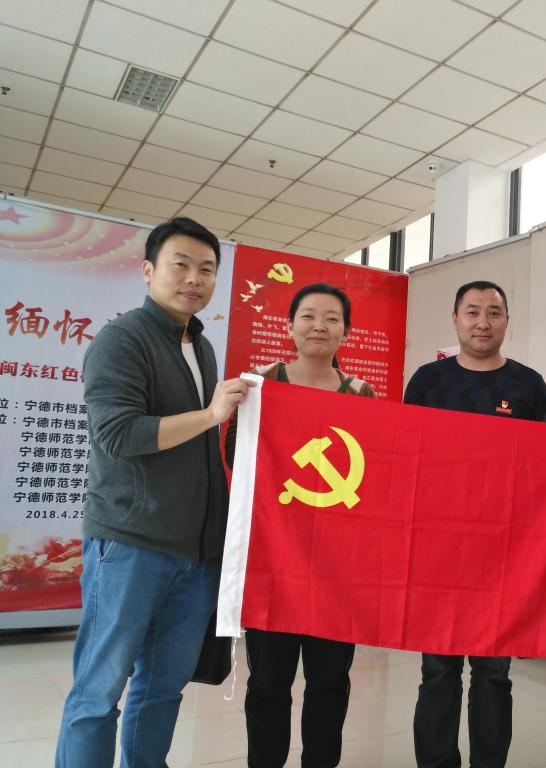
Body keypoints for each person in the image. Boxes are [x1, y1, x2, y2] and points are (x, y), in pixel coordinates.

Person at [55, 217, 250, 768]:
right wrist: (210, 414)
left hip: (195, 554)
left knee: (163, 689)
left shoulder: (201, 346)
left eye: (206, 269)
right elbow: (118, 435)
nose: (194, 279)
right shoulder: (121, 339)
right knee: (98, 691)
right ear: (148, 270)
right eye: (180, 265)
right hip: (131, 544)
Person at [225, 282, 374, 768]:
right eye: (308, 316)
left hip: (337, 567)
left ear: (346, 332)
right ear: (289, 326)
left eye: (332, 318)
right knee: (269, 682)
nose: (319, 326)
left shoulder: (362, 394)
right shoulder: (259, 385)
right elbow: (236, 457)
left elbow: (374, 475)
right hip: (273, 559)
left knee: (329, 681)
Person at [404, 280, 546, 768]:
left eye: (494, 312)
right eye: (472, 312)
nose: (482, 322)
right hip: (437, 554)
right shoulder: (428, 381)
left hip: (503, 556)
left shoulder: (528, 386)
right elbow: (404, 458)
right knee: (438, 674)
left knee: (493, 675)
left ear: (507, 320)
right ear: (455, 319)